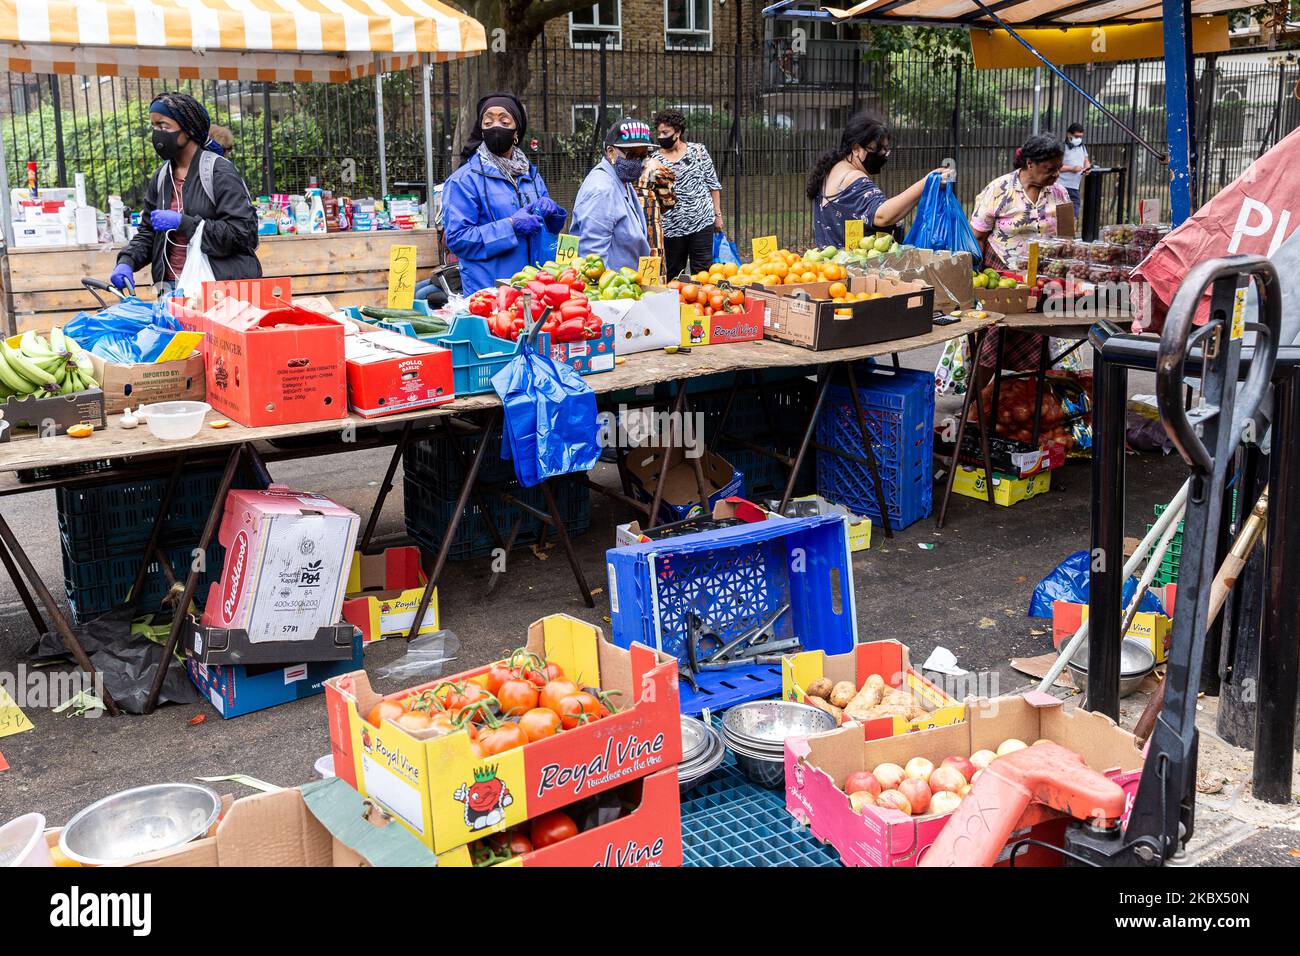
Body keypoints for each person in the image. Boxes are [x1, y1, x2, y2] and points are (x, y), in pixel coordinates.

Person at [110, 92, 260, 291]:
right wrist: (127, 261)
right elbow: (148, 232)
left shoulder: (219, 172)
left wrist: (185, 224)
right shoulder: (162, 177)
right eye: (154, 126)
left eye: (163, 126)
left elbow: (243, 234)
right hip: (171, 289)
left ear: (188, 129)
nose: (157, 133)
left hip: (218, 290)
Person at [442, 92, 568, 295]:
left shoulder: (531, 175)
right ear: (481, 130)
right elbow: (458, 239)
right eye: (488, 121)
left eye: (504, 120)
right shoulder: (464, 180)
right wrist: (510, 226)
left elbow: (547, 230)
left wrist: (554, 215)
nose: (495, 126)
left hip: (534, 289)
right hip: (489, 293)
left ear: (516, 130)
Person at [969, 135, 1071, 382]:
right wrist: (977, 279)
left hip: (1043, 280)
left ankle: (1032, 401)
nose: (1056, 174)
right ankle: (975, 404)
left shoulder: (1059, 193)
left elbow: (1068, 237)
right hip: (1002, 276)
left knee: (1040, 339)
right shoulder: (999, 189)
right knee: (992, 340)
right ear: (1030, 164)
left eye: (1059, 168)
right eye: (1050, 169)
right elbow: (977, 236)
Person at [807, 111, 947, 249]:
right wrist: (925, 183)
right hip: (861, 269)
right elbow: (882, 216)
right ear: (856, 149)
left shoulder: (830, 172)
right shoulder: (853, 178)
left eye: (885, 148)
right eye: (877, 148)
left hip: (831, 268)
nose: (883, 154)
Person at [645, 109, 722, 280]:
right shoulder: (653, 160)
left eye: (666, 132)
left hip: (701, 221)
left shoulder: (698, 151)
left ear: (678, 132)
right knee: (673, 273)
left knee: (702, 273)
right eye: (659, 133)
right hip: (671, 227)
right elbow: (653, 195)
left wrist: (718, 215)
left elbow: (713, 184)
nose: (661, 137)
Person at [571, 118, 653, 271]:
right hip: (612, 290)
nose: (639, 162)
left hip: (626, 286)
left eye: (643, 155)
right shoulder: (602, 190)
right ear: (611, 152)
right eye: (632, 155)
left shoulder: (621, 180)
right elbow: (593, 258)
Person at [1059, 123, 1091, 217]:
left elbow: (1086, 160)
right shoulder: (1062, 147)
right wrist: (1072, 168)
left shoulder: (1082, 147)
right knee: (1061, 216)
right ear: (1069, 134)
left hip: (1074, 187)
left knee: (1074, 215)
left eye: (1081, 137)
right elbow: (1056, 166)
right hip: (1061, 186)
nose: (1079, 139)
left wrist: (1087, 168)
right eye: (1076, 136)